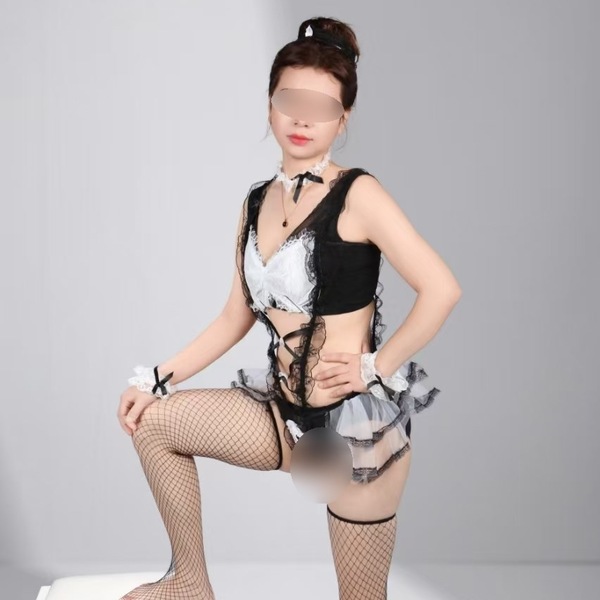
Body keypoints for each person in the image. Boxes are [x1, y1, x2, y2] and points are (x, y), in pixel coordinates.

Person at [116, 16, 462, 600]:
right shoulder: (255, 202)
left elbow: (442, 289)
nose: (302, 119)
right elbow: (235, 316)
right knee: (154, 423)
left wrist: (375, 366)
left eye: (321, 107)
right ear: (270, 105)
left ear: (343, 118)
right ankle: (190, 583)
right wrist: (155, 378)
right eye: (290, 101)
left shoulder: (359, 194)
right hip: (282, 418)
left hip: (356, 431)